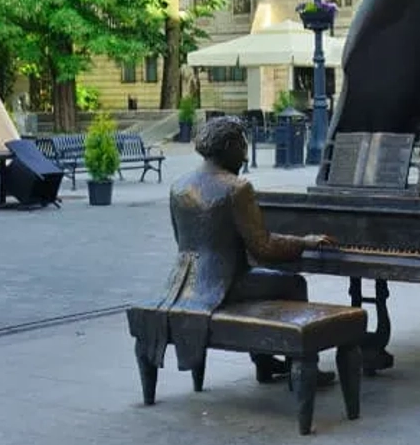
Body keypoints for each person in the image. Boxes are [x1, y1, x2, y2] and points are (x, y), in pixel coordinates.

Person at [133, 116, 335, 385]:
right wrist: (304, 242)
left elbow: (180, 239)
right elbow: (264, 247)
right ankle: (298, 366)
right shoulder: (237, 188)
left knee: (264, 279)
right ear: (228, 145)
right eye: (242, 145)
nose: (244, 154)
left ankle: (264, 363)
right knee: (294, 284)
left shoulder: (178, 186)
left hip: (181, 284)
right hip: (223, 286)